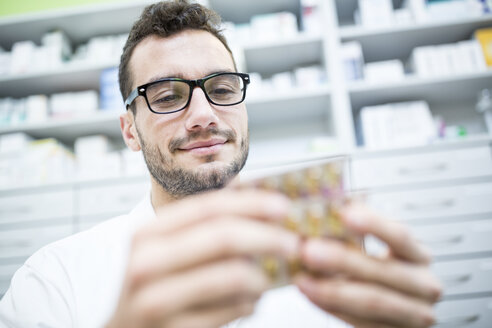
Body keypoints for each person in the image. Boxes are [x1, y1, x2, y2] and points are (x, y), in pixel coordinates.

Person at [0, 1, 442, 327]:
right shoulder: (53, 281)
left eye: (224, 88)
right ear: (129, 130)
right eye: (168, 95)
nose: (204, 115)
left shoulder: (327, 267)